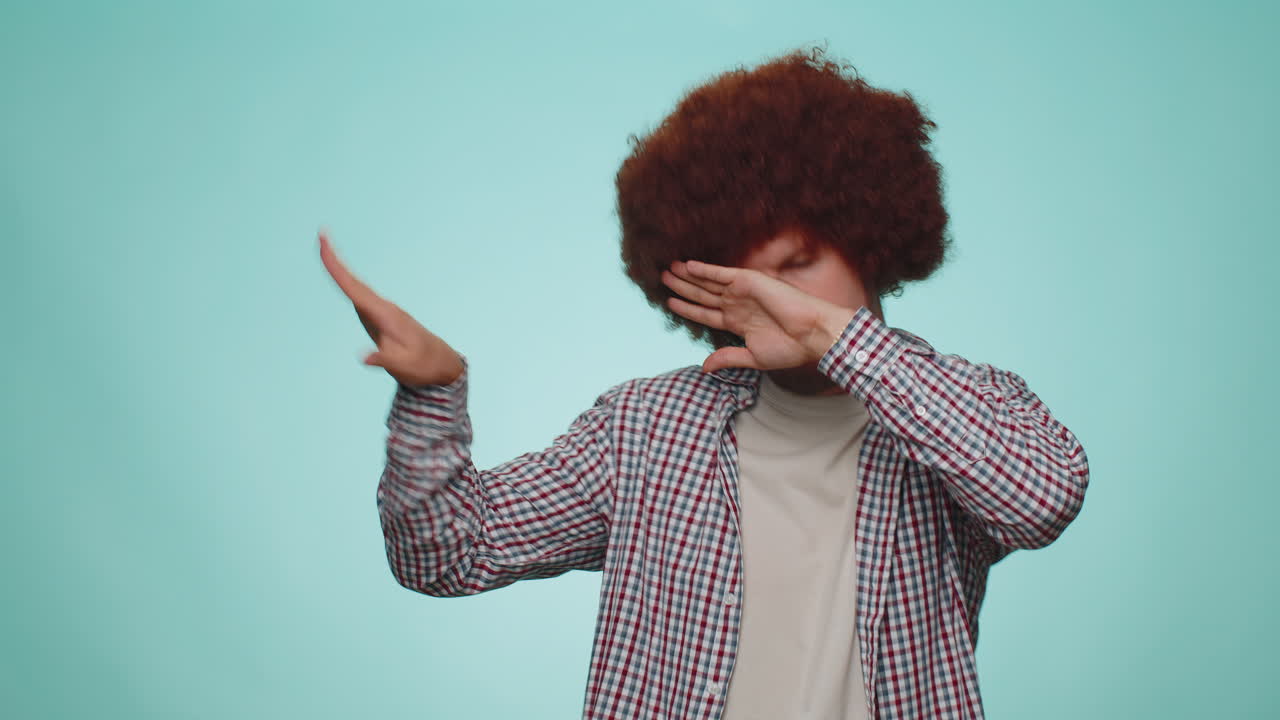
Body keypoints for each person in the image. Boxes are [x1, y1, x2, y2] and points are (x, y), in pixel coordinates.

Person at [320, 46, 1090, 720]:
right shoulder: (643, 431)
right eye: (747, 283)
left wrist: (839, 339)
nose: (777, 303)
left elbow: (1042, 498)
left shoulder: (961, 404)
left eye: (799, 265)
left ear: (871, 238)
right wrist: (435, 392)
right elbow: (447, 556)